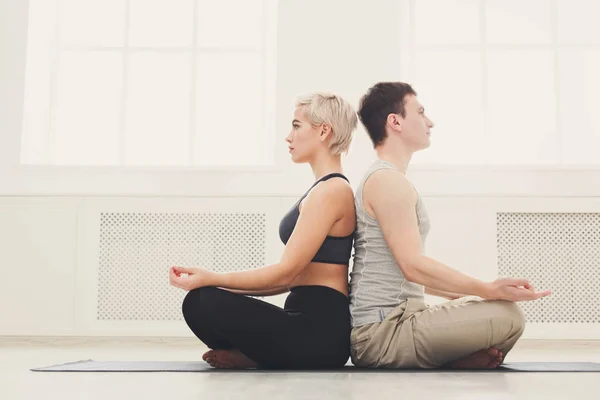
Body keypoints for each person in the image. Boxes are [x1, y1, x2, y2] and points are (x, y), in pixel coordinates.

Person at [348, 82, 552, 369]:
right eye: (420, 112)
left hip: (400, 319)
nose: (429, 121)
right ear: (395, 122)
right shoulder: (386, 181)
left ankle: (452, 359)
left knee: (500, 310)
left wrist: (462, 296)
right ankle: (450, 360)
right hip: (382, 335)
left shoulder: (389, 179)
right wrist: (485, 289)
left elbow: (409, 269)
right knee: (509, 318)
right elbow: (413, 265)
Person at [169, 92, 358, 369]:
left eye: (296, 125)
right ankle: (258, 354)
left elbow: (285, 272)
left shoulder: (332, 191)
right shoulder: (323, 189)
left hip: (321, 335)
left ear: (323, 131)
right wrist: (216, 284)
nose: (288, 136)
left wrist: (212, 278)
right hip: (301, 320)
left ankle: (257, 355)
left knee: (203, 301)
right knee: (202, 300)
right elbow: (286, 281)